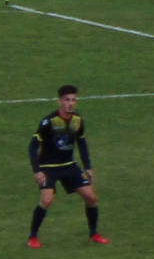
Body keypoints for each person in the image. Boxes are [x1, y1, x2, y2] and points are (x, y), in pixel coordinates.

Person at [26, 85, 106, 249]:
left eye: (73, 100)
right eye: (67, 100)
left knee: (91, 199)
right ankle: (32, 237)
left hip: (69, 166)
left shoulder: (78, 120)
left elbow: (82, 143)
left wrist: (88, 167)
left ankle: (93, 234)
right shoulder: (49, 121)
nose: (71, 103)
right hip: (48, 167)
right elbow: (32, 147)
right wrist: (37, 170)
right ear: (60, 101)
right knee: (46, 200)